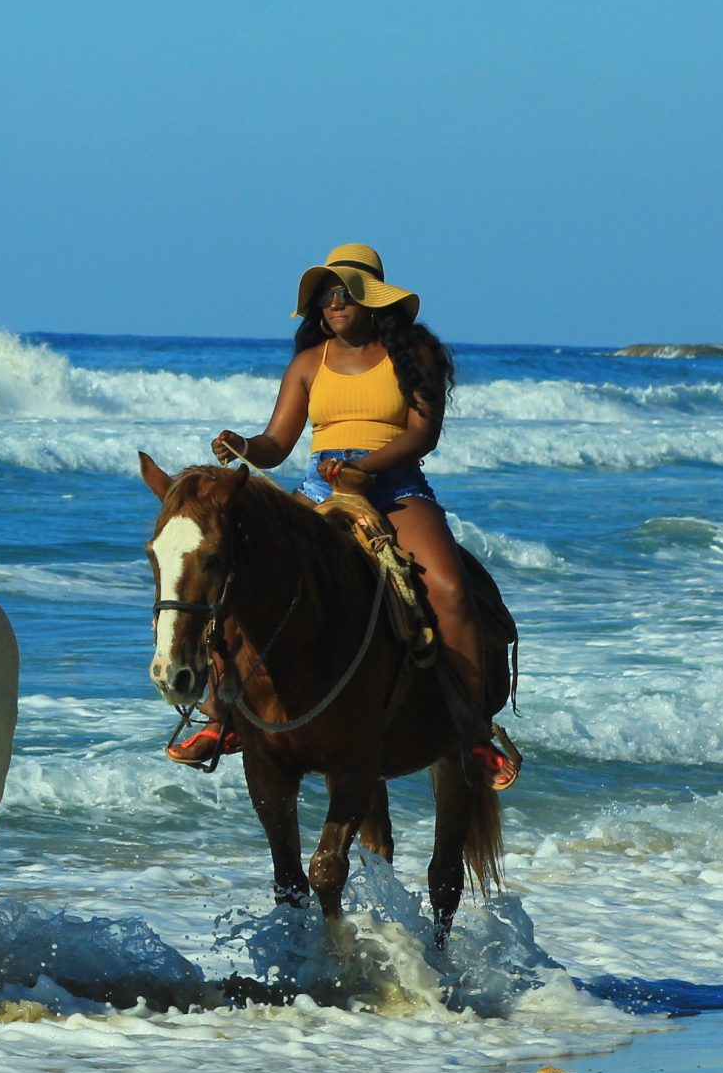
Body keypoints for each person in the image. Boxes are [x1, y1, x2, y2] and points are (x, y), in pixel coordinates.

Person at [177, 244, 516, 787]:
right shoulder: (309, 364)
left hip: (395, 488)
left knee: (450, 590)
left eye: (345, 294)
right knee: (240, 573)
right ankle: (222, 719)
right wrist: (244, 445)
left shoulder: (415, 355)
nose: (333, 303)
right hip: (318, 487)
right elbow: (277, 443)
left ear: (371, 301)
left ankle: (473, 730)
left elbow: (421, 434)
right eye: (325, 296)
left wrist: (361, 465)